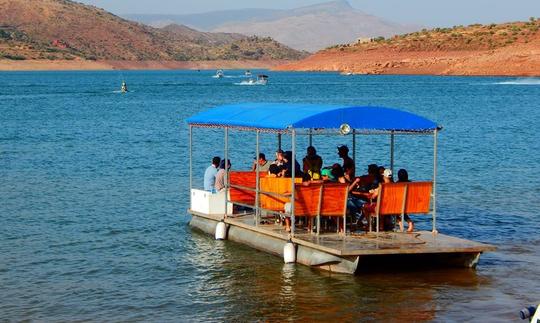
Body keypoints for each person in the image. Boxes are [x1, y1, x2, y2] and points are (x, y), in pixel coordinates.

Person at [396, 168, 415, 232]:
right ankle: (409, 222)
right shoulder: (411, 184)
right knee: (401, 209)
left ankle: (401, 225)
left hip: (400, 205)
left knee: (393, 209)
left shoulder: (396, 184)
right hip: (411, 204)